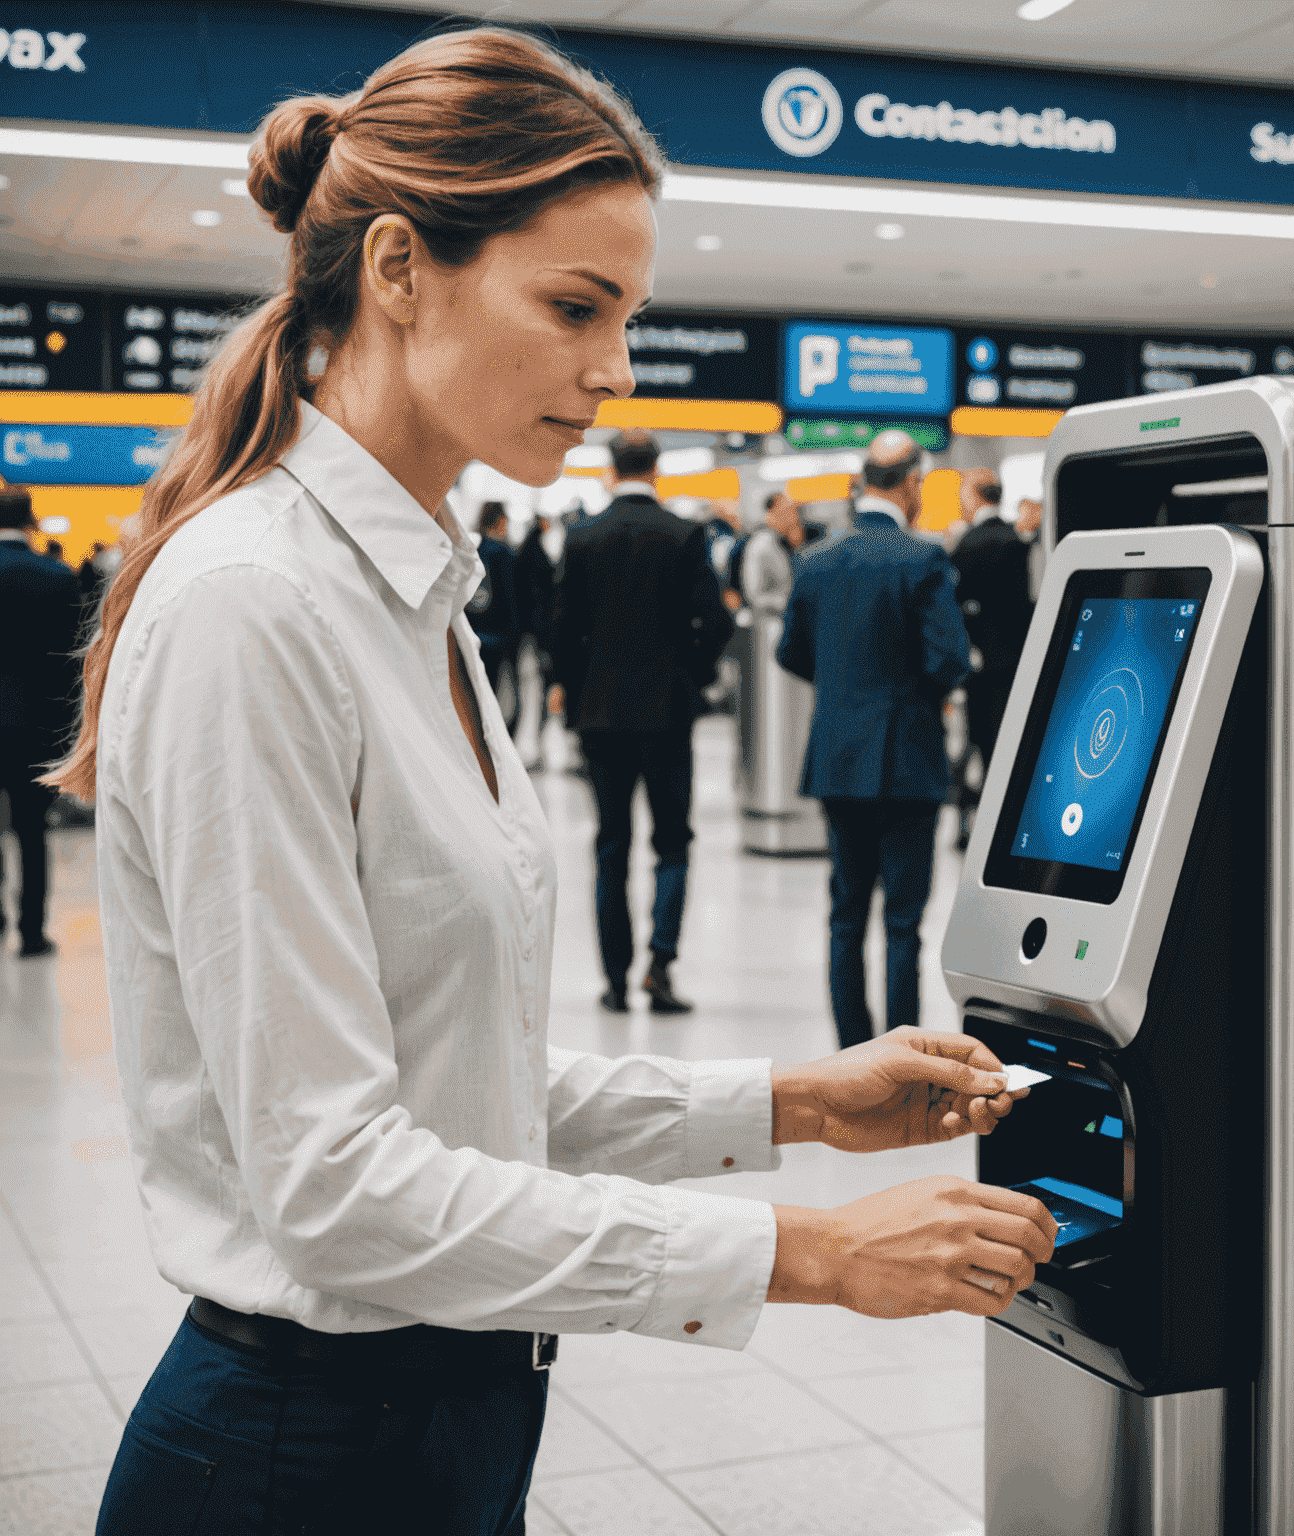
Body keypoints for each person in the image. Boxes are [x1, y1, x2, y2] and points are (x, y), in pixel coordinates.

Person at [59, 34, 1053, 1536]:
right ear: (400, 268)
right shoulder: (256, 605)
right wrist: (812, 1253)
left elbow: (445, 1089)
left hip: (446, 1426)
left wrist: (793, 1100)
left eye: (629, 315)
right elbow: (334, 1181)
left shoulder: (418, 601)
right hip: (295, 1460)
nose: (615, 371)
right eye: (575, 307)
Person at [778, 430, 972, 1049]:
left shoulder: (816, 560)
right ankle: (903, 1050)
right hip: (909, 759)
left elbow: (792, 652)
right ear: (912, 481)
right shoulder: (924, 558)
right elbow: (950, 660)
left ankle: (853, 1050)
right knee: (903, 921)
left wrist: (844, 691)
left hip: (838, 758)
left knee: (845, 913)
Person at [550, 430, 733, 1015]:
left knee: (610, 845)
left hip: (600, 716)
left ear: (611, 468)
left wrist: (571, 691)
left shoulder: (582, 538)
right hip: (668, 714)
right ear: (656, 470)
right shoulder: (684, 535)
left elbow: (562, 628)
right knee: (672, 842)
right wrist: (693, 674)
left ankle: (613, 979)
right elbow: (717, 620)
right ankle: (660, 964)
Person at [0, 486, 80, 958]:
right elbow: (68, 662)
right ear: (31, 522)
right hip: (34, 724)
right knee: (32, 829)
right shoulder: (55, 576)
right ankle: (33, 930)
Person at [950, 469, 1036, 850]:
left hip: (982, 667)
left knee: (980, 742)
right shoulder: (1017, 543)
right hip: (1017, 662)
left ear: (975, 496)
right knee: (1010, 743)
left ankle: (977, 826)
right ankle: (1008, 825)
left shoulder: (968, 545)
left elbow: (955, 610)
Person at [466, 499, 522, 736]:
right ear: (500, 521)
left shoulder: (470, 550)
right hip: (499, 639)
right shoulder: (504, 553)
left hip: (471, 635)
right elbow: (511, 599)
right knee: (501, 698)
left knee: (473, 696)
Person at [514, 510, 560, 767]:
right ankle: (535, 747)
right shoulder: (539, 558)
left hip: (528, 635)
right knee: (538, 693)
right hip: (539, 636)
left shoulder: (525, 554)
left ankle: (532, 747)